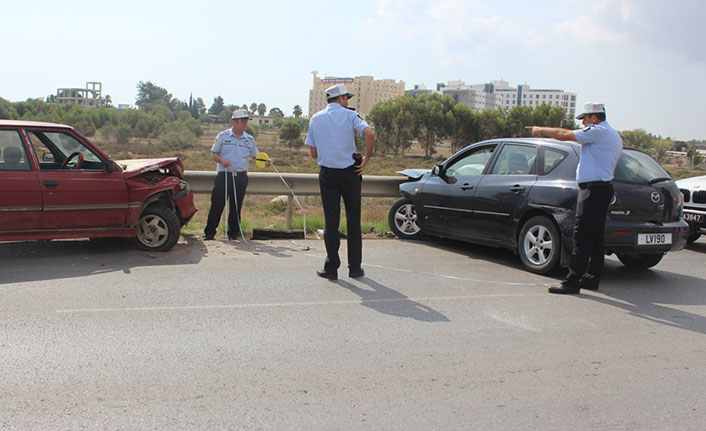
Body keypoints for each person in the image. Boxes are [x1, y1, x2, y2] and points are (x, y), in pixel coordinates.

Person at [526, 102, 623, 294]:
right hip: (601, 188)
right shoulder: (610, 133)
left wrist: (540, 129)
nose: (583, 124)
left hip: (594, 190)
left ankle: (572, 281)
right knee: (595, 238)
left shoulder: (598, 132)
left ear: (594, 118)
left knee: (583, 236)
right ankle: (590, 278)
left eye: (585, 120)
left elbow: (564, 135)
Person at [306, 84, 375, 280]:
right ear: (342, 99)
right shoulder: (350, 116)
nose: (348, 102)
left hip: (328, 174)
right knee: (353, 221)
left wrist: (329, 151)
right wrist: (366, 159)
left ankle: (331, 267)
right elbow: (369, 134)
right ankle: (355, 268)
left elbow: (313, 153)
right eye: (347, 98)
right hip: (349, 173)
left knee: (331, 221)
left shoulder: (316, 118)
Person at [203, 109, 270, 241]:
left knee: (236, 206)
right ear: (235, 122)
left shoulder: (249, 139)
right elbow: (214, 153)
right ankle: (209, 233)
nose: (245, 124)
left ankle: (233, 234)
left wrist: (265, 162)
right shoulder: (223, 136)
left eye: (246, 121)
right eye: (243, 121)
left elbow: (256, 157)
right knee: (217, 205)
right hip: (224, 175)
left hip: (240, 177)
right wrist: (222, 160)